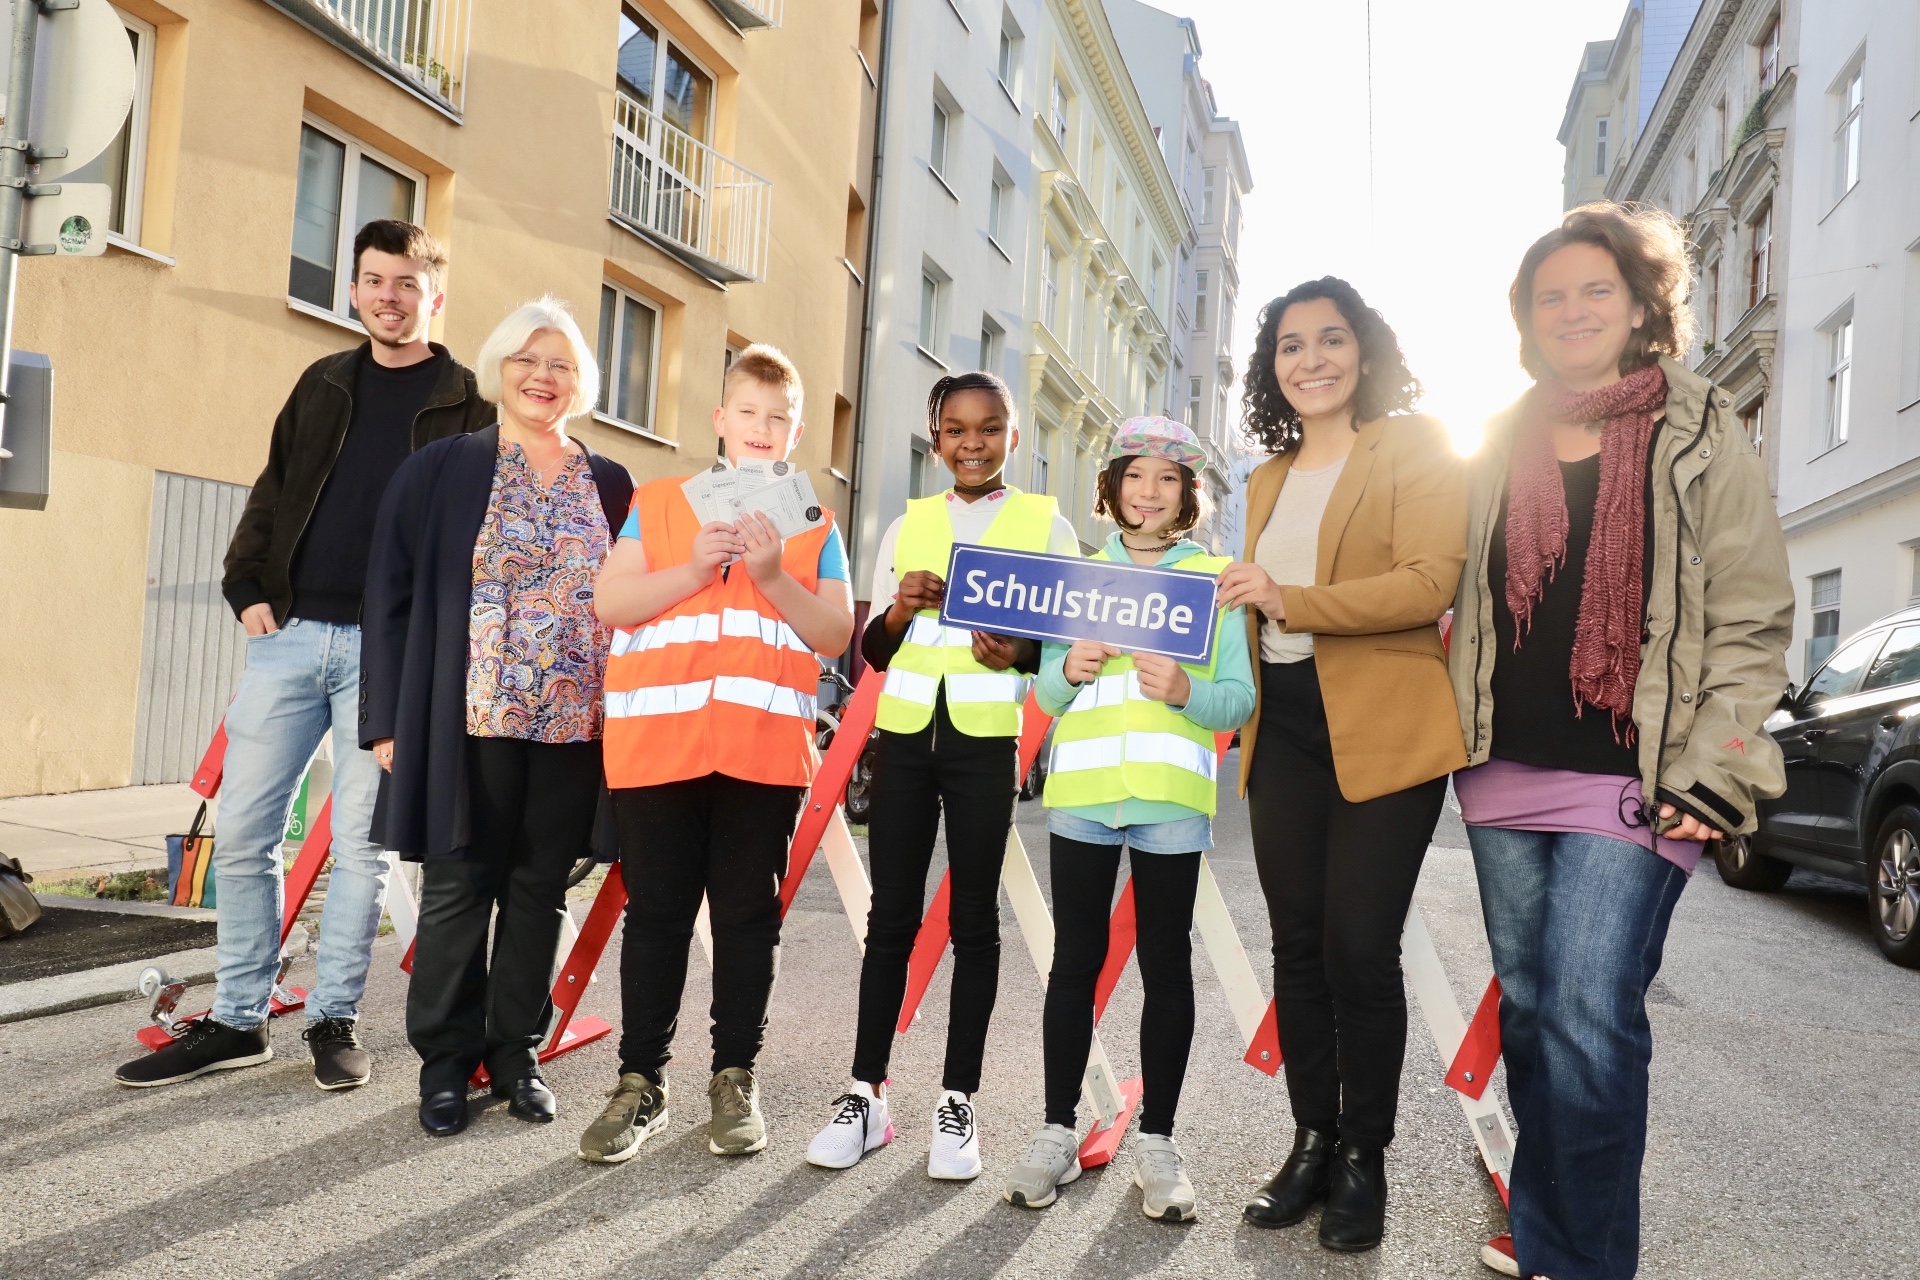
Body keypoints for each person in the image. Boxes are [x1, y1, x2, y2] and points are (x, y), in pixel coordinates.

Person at [1454, 204, 1791, 1280]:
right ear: (1526, 317)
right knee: (1532, 1004)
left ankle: (1586, 1260)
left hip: (1643, 772)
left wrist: (1723, 763)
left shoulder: (1700, 427)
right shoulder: (1500, 434)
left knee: (1593, 1007)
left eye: (1597, 288)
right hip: (1503, 768)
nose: (1573, 309)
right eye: (1551, 293)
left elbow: (1749, 611)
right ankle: (1548, 1223)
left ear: (1644, 305)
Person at [115, 220, 491, 1092]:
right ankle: (240, 1019)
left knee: (361, 846)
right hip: (289, 638)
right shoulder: (323, 381)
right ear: (353, 289)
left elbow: (471, 539)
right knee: (245, 832)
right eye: (373, 280)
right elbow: (274, 488)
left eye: (406, 282)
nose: (388, 297)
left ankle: (334, 1016)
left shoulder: (471, 403)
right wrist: (246, 588)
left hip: (388, 655)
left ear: (435, 294)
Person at [1219, 278, 1467, 1252]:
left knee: (1362, 947)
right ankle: (1311, 1138)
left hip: (1386, 724)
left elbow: (1426, 583)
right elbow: (1249, 603)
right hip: (1282, 726)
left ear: (1364, 350)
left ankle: (1366, 1157)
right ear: (1271, 367)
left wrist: (1292, 598)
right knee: (1299, 946)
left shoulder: (1412, 444)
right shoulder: (1268, 476)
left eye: (1329, 339)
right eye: (1289, 345)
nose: (1310, 358)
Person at [360, 296, 634, 1137]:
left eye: (560, 365)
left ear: (579, 380)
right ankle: (444, 1065)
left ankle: (514, 1053)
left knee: (539, 892)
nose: (542, 378)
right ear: (499, 368)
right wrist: (385, 719)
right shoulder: (440, 468)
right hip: (465, 721)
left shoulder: (613, 483)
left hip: (572, 729)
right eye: (527, 360)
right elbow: (391, 597)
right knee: (455, 888)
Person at [577, 345, 853, 1164]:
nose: (763, 429)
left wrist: (770, 576)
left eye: (778, 418)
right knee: (656, 915)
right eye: (749, 414)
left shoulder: (813, 523)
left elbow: (836, 634)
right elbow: (610, 602)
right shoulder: (660, 504)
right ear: (720, 422)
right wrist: (696, 569)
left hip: (760, 755)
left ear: (796, 430)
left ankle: (735, 1076)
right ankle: (641, 1081)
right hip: (658, 751)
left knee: (744, 921)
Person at [805, 371, 1080, 1181]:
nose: (971, 443)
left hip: (984, 742)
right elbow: (875, 654)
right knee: (890, 917)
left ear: (1013, 438)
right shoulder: (909, 523)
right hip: (904, 741)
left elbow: (1058, 650)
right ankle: (866, 1095)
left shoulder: (1045, 525)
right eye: (955, 429)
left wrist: (1019, 653)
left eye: (988, 429)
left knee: (974, 926)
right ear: (936, 438)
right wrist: (895, 612)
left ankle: (958, 1104)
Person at [1002, 418, 1255, 1221]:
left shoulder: (1213, 582)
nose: (1150, 492)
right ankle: (1054, 1130)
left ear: (1189, 495)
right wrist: (1063, 674)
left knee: (1165, 965)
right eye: (1135, 476)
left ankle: (1159, 1139)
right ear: (1111, 488)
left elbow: (1239, 698)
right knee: (1073, 962)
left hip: (1171, 803)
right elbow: (1037, 698)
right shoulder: (1077, 579)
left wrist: (1188, 693)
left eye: (1168, 479)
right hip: (1080, 799)